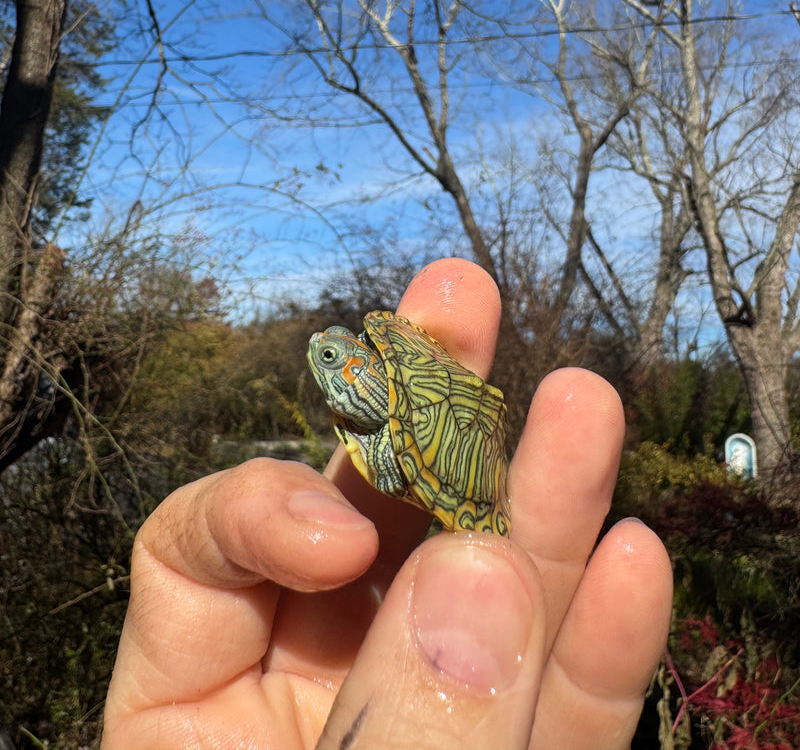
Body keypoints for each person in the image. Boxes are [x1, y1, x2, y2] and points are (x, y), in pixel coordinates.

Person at [101, 257, 673, 749]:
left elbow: (404, 430)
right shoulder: (389, 383)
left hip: (463, 469)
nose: (321, 351)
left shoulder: (400, 432)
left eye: (334, 361)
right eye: (333, 357)